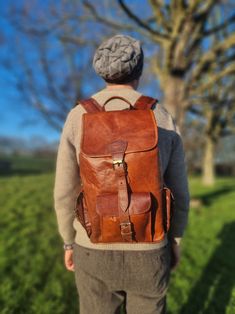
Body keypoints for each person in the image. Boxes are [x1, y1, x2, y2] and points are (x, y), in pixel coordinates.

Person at [54, 34, 190, 314]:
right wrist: (174, 239)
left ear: (100, 70)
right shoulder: (160, 115)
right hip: (150, 248)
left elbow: (65, 190)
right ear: (139, 70)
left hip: (92, 248)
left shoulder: (78, 116)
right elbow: (179, 189)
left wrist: (69, 241)